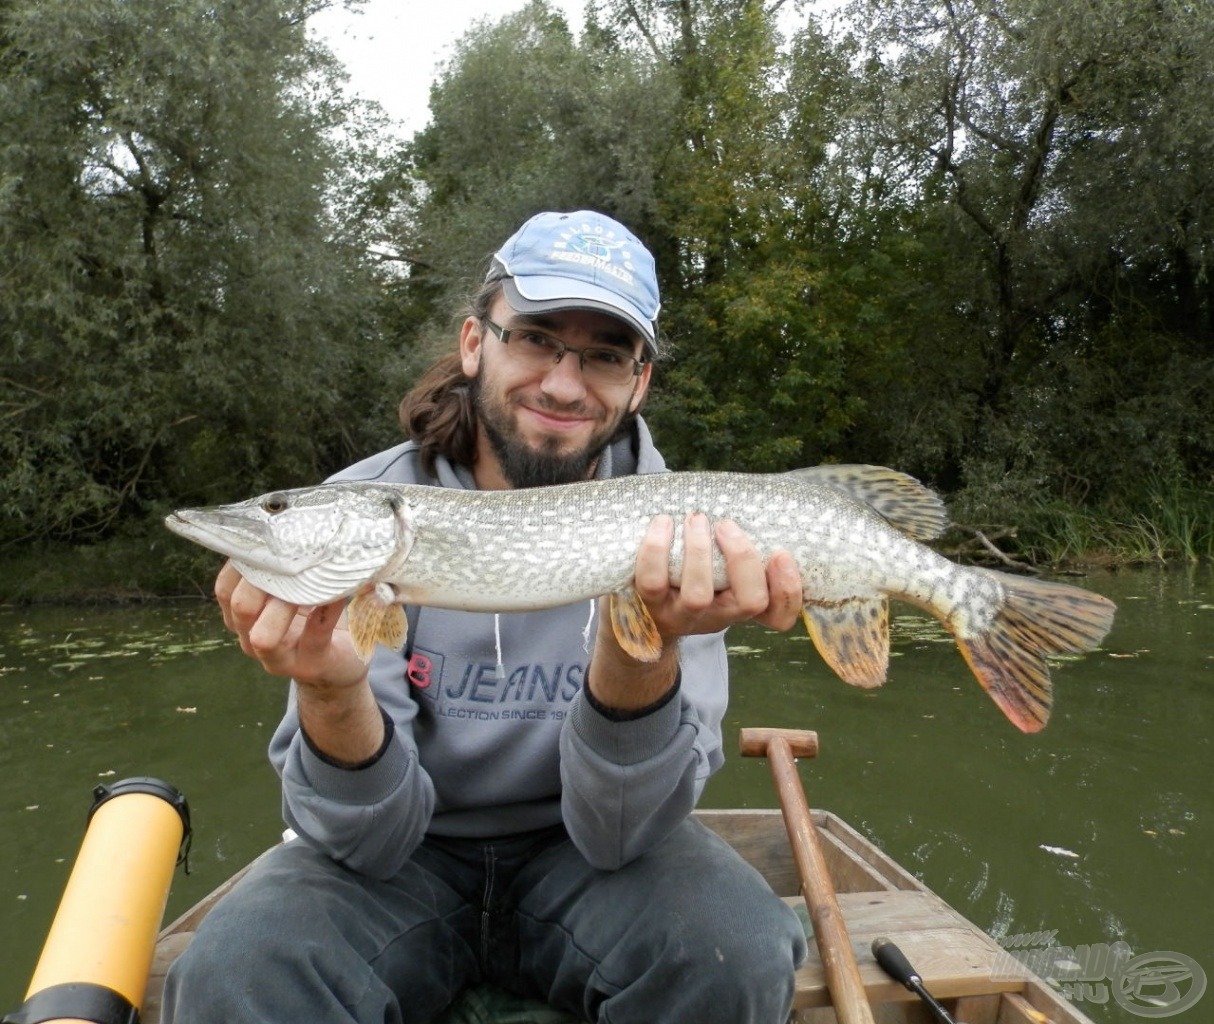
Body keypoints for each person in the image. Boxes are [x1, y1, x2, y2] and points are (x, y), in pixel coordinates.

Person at [164, 210, 809, 1023]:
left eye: (605, 356)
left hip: (591, 861)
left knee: (733, 948)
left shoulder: (684, 535)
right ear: (476, 343)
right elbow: (366, 843)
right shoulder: (379, 506)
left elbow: (621, 835)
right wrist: (332, 688)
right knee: (237, 969)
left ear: (638, 383)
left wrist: (644, 649)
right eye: (535, 338)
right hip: (405, 867)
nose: (565, 383)